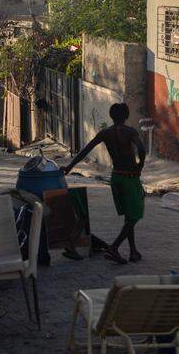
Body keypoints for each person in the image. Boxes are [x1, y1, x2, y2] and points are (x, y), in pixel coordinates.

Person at [61, 103, 146, 263]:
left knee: (129, 216)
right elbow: (141, 149)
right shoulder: (130, 132)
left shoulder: (105, 133)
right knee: (134, 215)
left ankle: (133, 251)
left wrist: (70, 166)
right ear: (126, 116)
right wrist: (140, 165)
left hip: (116, 178)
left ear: (111, 116)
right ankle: (114, 247)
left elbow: (85, 150)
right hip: (129, 177)